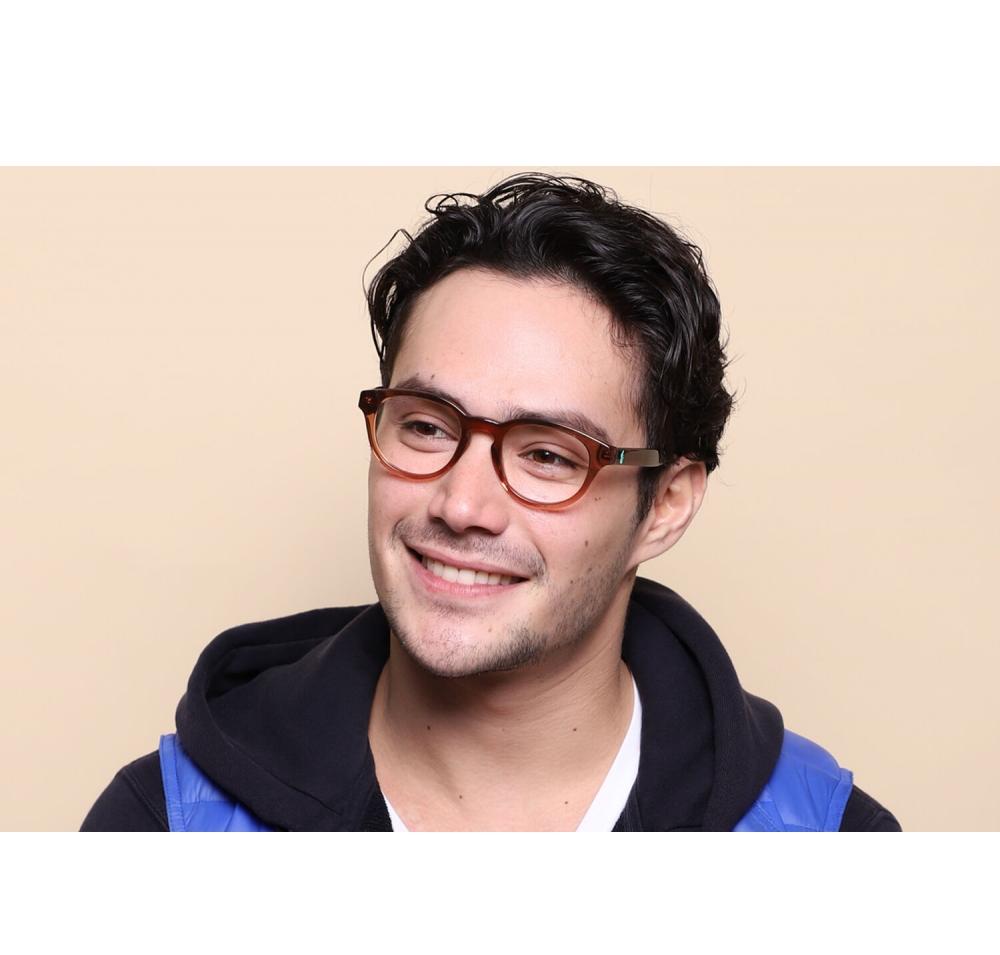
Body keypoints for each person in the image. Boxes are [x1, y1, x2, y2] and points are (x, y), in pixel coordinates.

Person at [82, 173, 900, 832]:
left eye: (548, 454)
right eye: (427, 426)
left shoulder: (830, 842)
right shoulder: (161, 826)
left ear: (666, 507)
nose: (462, 504)